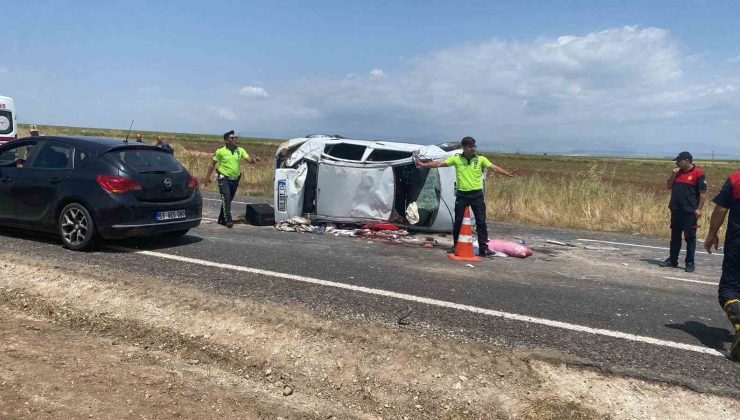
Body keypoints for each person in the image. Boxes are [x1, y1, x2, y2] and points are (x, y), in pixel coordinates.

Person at [415, 136, 513, 257]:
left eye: (474, 146)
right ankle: (456, 246)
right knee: (458, 221)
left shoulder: (480, 159)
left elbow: (493, 167)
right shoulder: (456, 159)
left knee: (481, 222)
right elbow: (440, 163)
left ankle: (484, 248)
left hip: (477, 195)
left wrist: (506, 173)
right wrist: (424, 164)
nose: (472, 149)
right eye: (470, 147)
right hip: (462, 195)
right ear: (464, 148)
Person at [704, 170, 740, 361]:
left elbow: (721, 209)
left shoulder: (736, 178)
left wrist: (712, 233)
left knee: (729, 290)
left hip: (738, 245)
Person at [660, 151, 707, 272]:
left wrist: (699, 209)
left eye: (679, 161)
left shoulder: (698, 173)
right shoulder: (677, 172)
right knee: (675, 236)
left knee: (690, 238)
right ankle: (673, 260)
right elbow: (668, 186)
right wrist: (673, 175)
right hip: (676, 209)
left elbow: (703, 193)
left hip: (690, 211)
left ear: (686, 161)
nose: (676, 163)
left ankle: (690, 262)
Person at [203, 130, 258, 228]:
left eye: (235, 137)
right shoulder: (220, 151)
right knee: (226, 196)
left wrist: (253, 160)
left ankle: (221, 219)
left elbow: (249, 160)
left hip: (235, 179)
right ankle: (228, 219)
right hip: (223, 177)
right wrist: (207, 178)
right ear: (226, 141)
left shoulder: (240, 150)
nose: (235, 139)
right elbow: (212, 164)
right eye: (232, 138)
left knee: (228, 199)